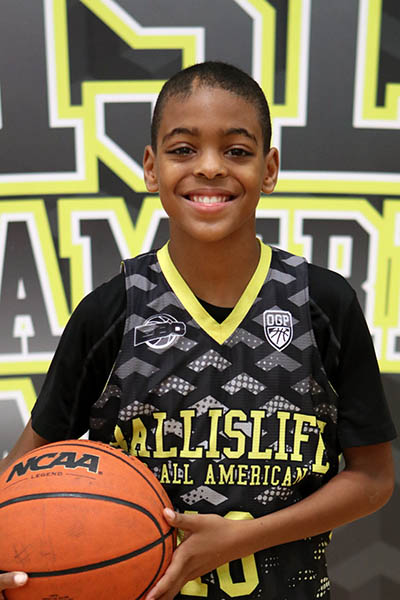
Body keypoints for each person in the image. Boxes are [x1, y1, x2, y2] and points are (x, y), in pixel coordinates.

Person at [0, 62, 396, 600]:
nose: (210, 168)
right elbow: (24, 473)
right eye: (183, 149)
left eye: (237, 150)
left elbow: (373, 479)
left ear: (270, 169)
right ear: (152, 168)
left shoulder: (321, 304)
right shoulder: (113, 311)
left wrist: (242, 539)